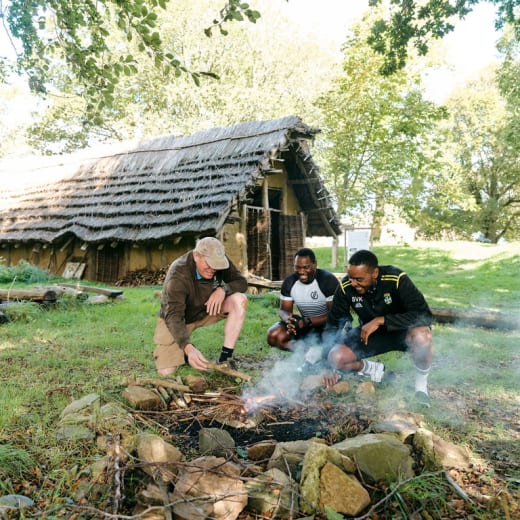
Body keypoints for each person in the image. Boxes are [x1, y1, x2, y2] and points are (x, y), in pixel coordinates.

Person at [323, 249, 433, 407]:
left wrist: (381, 320)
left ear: (374, 273)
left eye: (359, 279)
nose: (353, 283)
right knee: (336, 357)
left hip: (405, 332)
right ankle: (374, 370)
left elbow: (424, 315)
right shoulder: (347, 286)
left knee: (423, 336)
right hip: (371, 334)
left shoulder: (396, 278)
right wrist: (327, 363)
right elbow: (333, 324)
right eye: (351, 277)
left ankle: (421, 388)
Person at [153, 237, 248, 375]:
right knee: (166, 372)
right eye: (209, 264)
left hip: (207, 309)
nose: (213, 269)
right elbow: (173, 316)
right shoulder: (178, 275)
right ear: (196, 256)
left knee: (239, 300)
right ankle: (186, 352)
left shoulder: (218, 259)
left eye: (216, 265)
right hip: (178, 319)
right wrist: (188, 348)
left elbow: (242, 282)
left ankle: (225, 358)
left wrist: (223, 290)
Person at [267, 247, 339, 352]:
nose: (301, 271)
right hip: (306, 325)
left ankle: (323, 356)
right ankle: (307, 352)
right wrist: (288, 320)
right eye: (297, 267)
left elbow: (334, 315)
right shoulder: (289, 282)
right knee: (274, 335)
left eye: (306, 267)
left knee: (328, 340)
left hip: (328, 326)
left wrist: (307, 322)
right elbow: (284, 310)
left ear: (315, 264)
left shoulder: (327, 280)